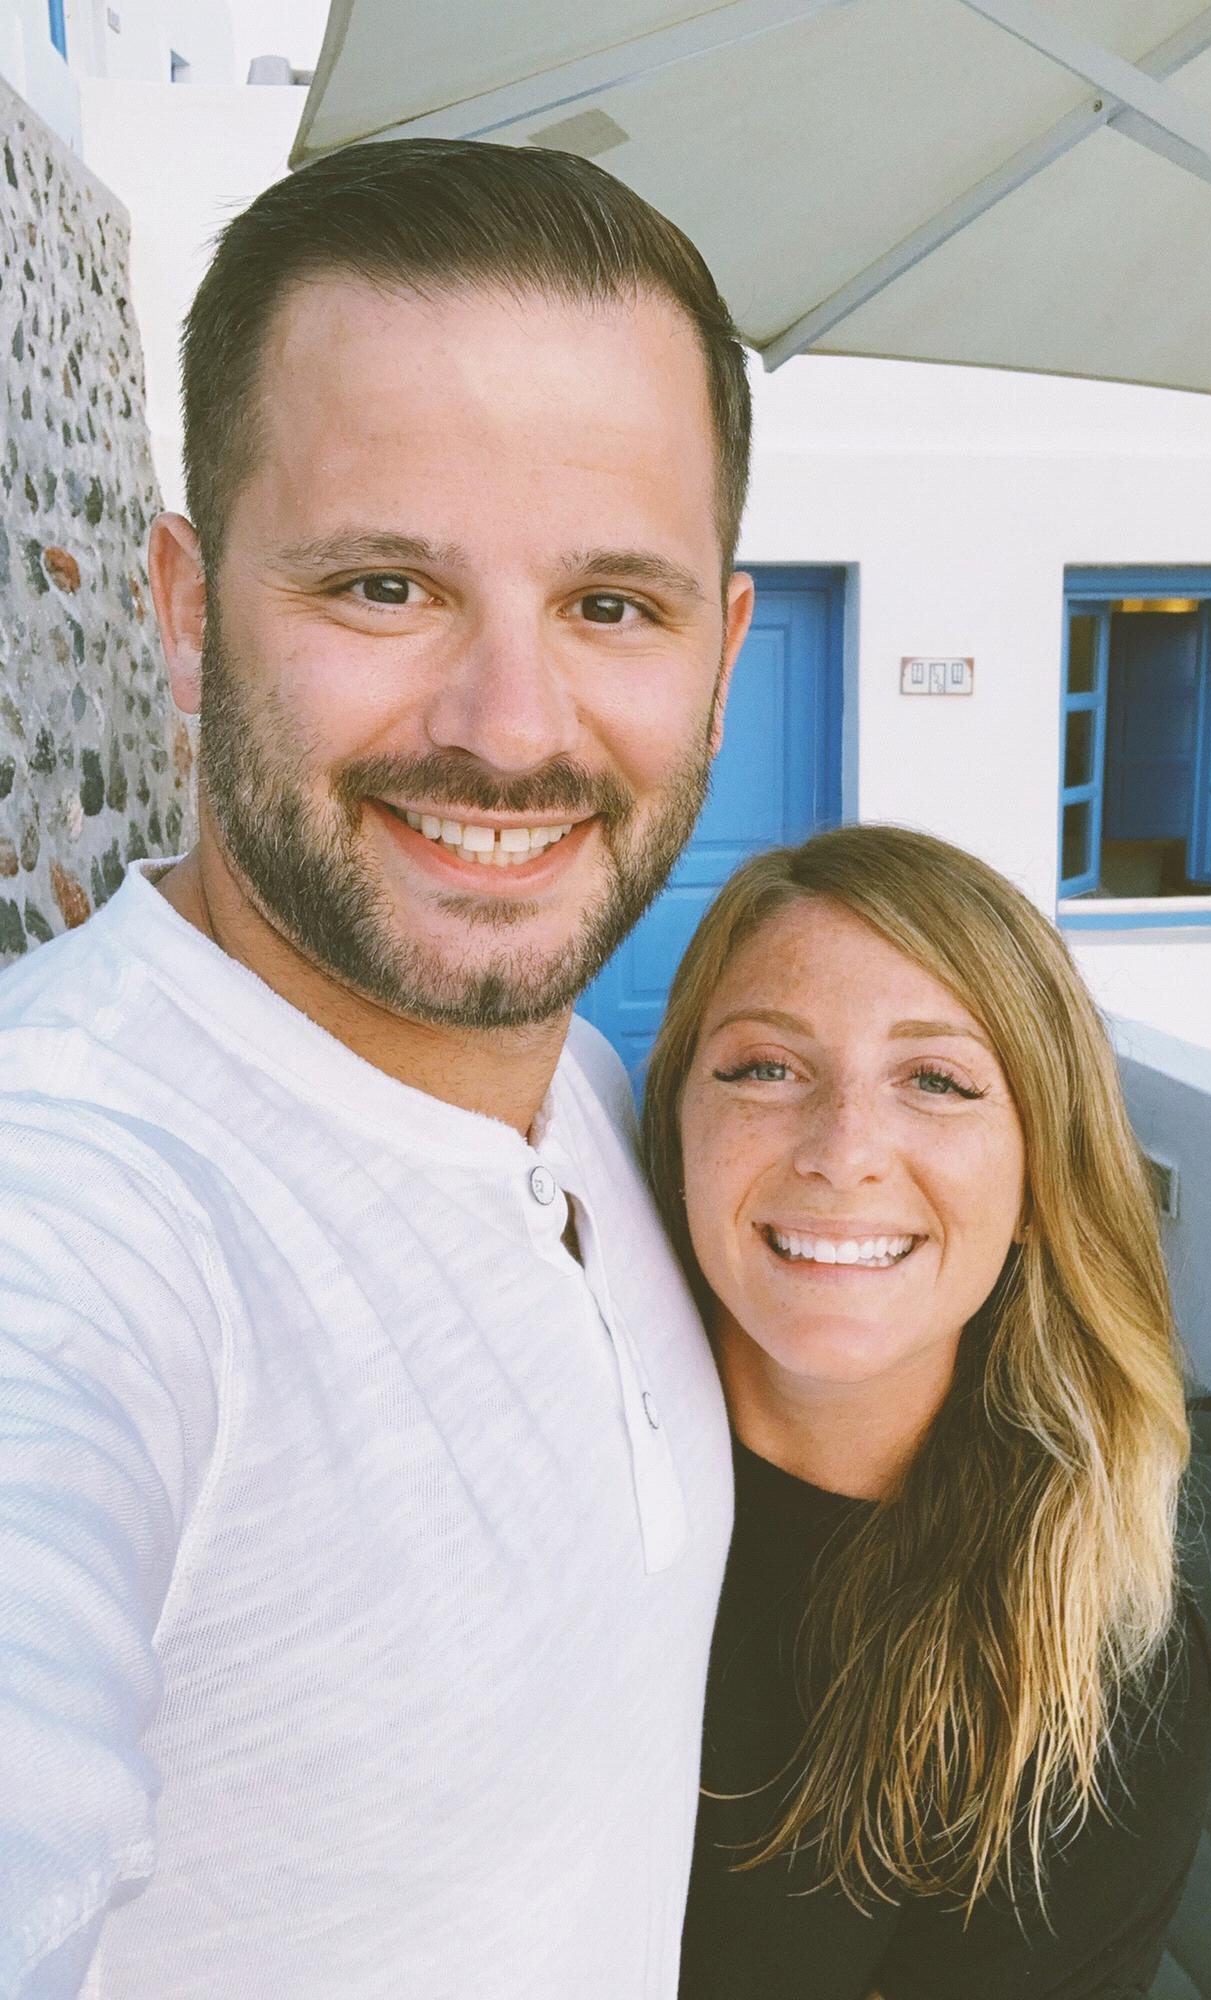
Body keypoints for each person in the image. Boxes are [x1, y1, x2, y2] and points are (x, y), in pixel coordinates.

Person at [0, 140, 756, 1999]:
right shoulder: (77, 1210)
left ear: (721, 647)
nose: (510, 733)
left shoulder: (574, 1076)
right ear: (186, 608)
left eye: (611, 607)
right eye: (383, 586)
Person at [640, 825, 1211, 2000]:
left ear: (1033, 1184)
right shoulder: (539, 1450)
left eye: (938, 1081)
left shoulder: (1093, 1666)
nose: (842, 1151)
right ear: (678, 1125)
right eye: (765, 1066)